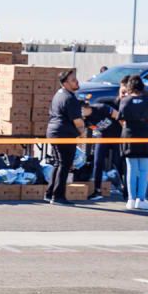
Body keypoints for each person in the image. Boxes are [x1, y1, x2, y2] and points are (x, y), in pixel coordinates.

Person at [44, 69, 91, 205]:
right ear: (65, 84)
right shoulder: (70, 98)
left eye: (75, 79)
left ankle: (50, 193)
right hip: (64, 134)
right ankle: (58, 197)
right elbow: (78, 121)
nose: (76, 81)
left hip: (54, 132)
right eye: (72, 80)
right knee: (64, 165)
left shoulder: (59, 94)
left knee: (59, 163)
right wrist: (82, 134)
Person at [118, 76, 148, 211]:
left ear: (129, 87)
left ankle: (130, 199)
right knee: (144, 169)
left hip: (129, 135)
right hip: (145, 134)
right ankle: (141, 199)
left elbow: (120, 119)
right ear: (142, 86)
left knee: (131, 169)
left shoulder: (125, 100)